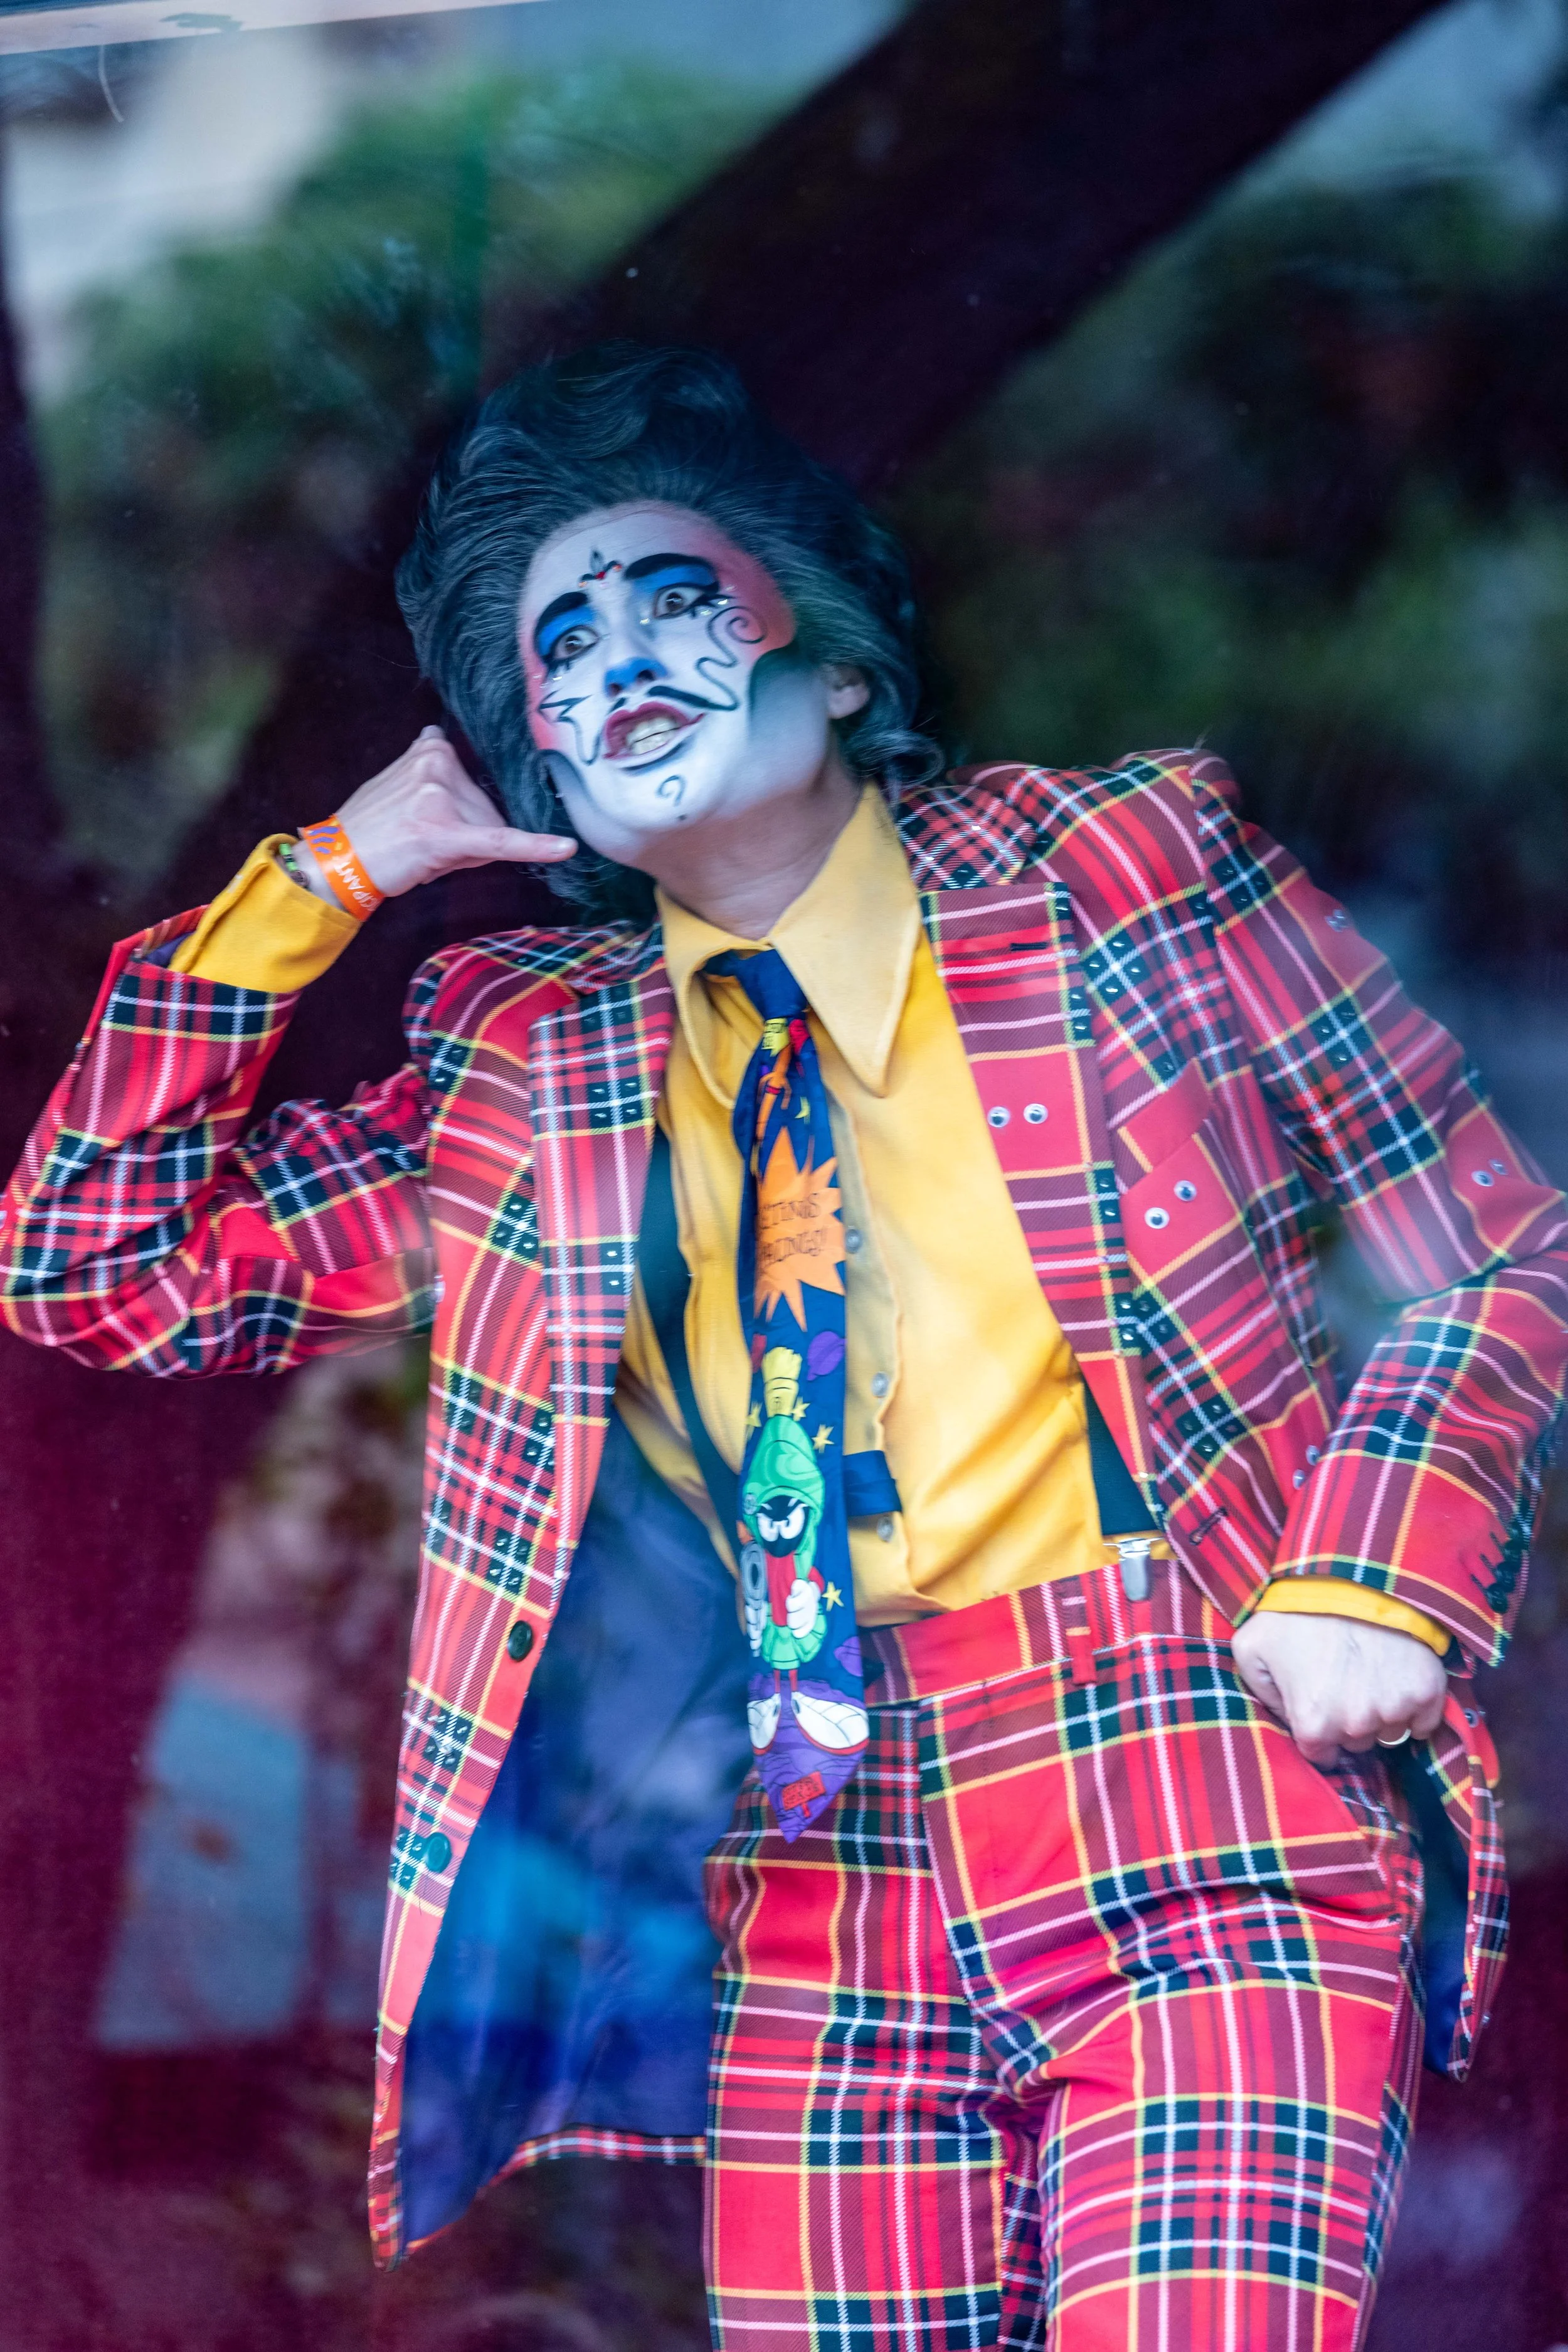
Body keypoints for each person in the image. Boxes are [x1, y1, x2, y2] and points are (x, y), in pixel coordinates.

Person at [5, 343, 1565, 2351]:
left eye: (676, 592)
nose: (619, 650)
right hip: (811, 1847)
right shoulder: (525, 1068)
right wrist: (332, 875)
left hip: (1185, 1768)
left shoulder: (1118, 876)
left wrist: (1375, 1567)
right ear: (541, 761)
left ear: (828, 662)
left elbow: (1491, 1242)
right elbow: (91, 1267)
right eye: (558, 641)